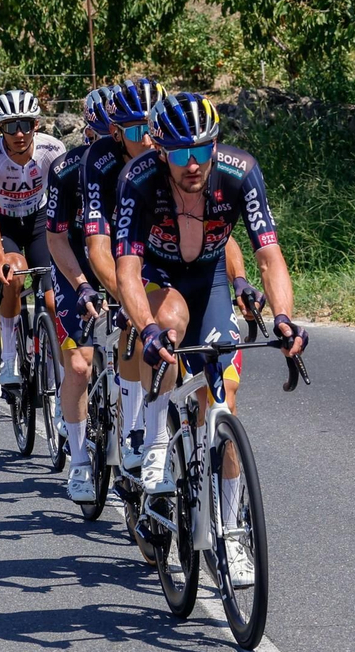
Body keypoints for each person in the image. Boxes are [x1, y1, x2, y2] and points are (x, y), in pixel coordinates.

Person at [112, 92, 307, 586]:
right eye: (180, 154)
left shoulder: (240, 172)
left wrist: (283, 318)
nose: (194, 164)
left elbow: (268, 256)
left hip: (212, 278)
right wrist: (147, 328)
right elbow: (128, 271)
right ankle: (158, 444)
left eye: (203, 150)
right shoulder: (138, 181)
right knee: (171, 324)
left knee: (224, 398)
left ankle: (232, 534)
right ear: (160, 152)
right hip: (159, 278)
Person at [83, 77, 252, 473]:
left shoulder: (204, 171)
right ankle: (139, 430)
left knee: (221, 394)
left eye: (150, 127)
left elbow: (219, 233)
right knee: (155, 322)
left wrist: (240, 278)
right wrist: (132, 308)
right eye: (137, 130)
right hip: (136, 258)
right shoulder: (107, 167)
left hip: (189, 263)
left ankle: (212, 492)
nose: (144, 139)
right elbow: (101, 249)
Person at [45, 86, 114, 503]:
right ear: (89, 133)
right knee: (81, 365)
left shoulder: (141, 166)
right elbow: (54, 239)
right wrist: (83, 284)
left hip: (121, 260)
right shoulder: (66, 168)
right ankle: (80, 462)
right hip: (74, 263)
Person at [0, 89, 66, 388]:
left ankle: (55, 367)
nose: (19, 133)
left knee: (53, 301)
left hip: (40, 220)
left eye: (25, 124)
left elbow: (68, 202)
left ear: (36, 125)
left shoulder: (53, 150)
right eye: (10, 125)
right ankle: (10, 358)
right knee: (13, 275)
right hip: (4, 223)